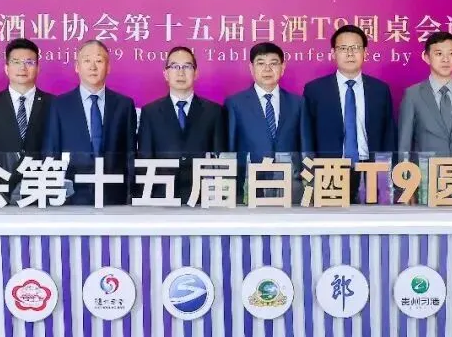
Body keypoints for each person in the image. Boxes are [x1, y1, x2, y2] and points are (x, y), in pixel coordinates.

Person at [302, 25, 396, 203]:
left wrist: (389, 173)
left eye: (356, 48)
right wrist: (310, 176)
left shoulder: (380, 90)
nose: (350, 53)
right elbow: (308, 136)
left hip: (371, 169)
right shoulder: (315, 90)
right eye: (343, 48)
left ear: (365, 52)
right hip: (329, 169)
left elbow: (388, 134)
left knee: (373, 218)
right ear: (333, 53)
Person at [42, 39, 136, 206]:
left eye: (99, 61)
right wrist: (52, 194)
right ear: (77, 67)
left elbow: (131, 155)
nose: (93, 67)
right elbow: (51, 152)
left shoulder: (124, 105)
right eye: (86, 61)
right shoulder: (60, 105)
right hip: (72, 196)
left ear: (108, 67)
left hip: (114, 197)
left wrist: (131, 196)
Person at [397, 31, 452, 197]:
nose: (445, 59)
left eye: (451, 53)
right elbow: (404, 145)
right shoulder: (413, 95)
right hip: (425, 184)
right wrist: (406, 187)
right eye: (438, 54)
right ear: (426, 57)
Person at [137, 46, 226, 202]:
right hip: (162, 197)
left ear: (196, 73)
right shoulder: (150, 112)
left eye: (187, 66)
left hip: (203, 198)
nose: (181, 72)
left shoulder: (214, 111)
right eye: (175, 66)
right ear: (166, 74)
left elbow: (219, 158)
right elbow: (145, 159)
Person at [0, 38, 54, 199]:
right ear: (6, 68)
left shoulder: (53, 104)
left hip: (43, 189)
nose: (22, 67)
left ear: (38, 68)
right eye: (16, 62)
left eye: (29, 62)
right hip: (1, 190)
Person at [224, 42, 305, 202]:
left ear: (282, 67)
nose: (267, 69)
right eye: (261, 63)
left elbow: (305, 147)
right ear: (251, 68)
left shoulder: (298, 103)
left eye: (273, 63)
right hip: (249, 184)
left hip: (289, 185)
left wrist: (308, 184)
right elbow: (230, 149)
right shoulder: (235, 103)